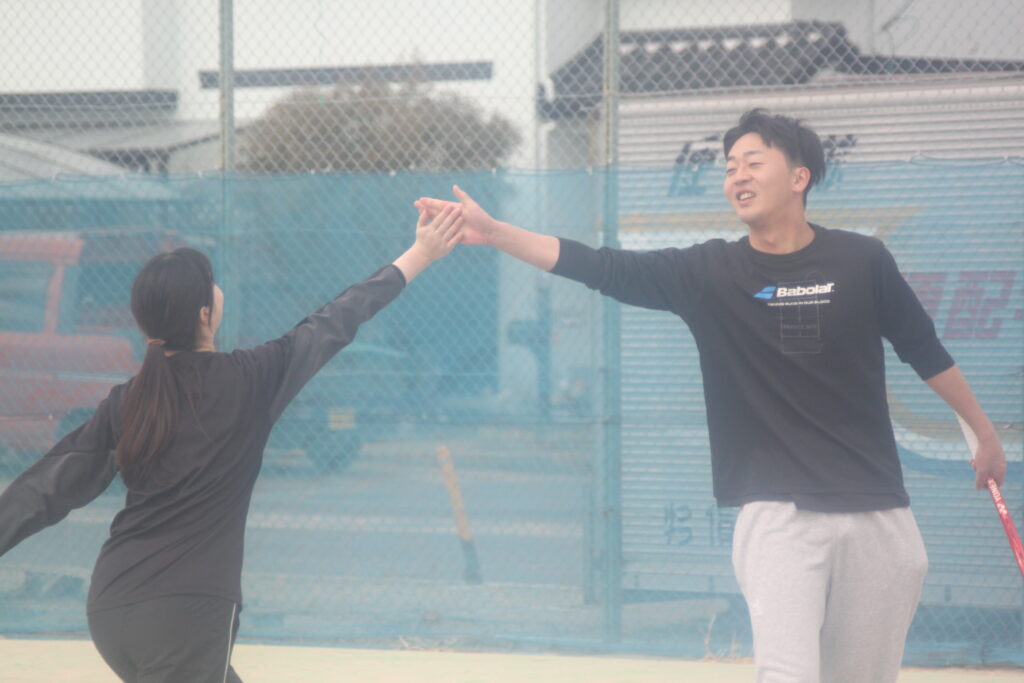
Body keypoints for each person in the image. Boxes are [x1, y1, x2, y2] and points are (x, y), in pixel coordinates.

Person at [415, 109, 1007, 683]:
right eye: (729, 167)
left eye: (753, 162)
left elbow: (924, 350)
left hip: (877, 511)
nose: (737, 176)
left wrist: (984, 435)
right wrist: (495, 233)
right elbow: (600, 266)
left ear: (799, 177)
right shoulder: (708, 272)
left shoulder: (863, 259)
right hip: (779, 516)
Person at [0, 204, 464, 682]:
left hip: (112, 607)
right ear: (205, 314)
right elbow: (337, 319)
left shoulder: (128, 400)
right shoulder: (250, 380)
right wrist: (420, 254)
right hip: (185, 617)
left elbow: (45, 489)